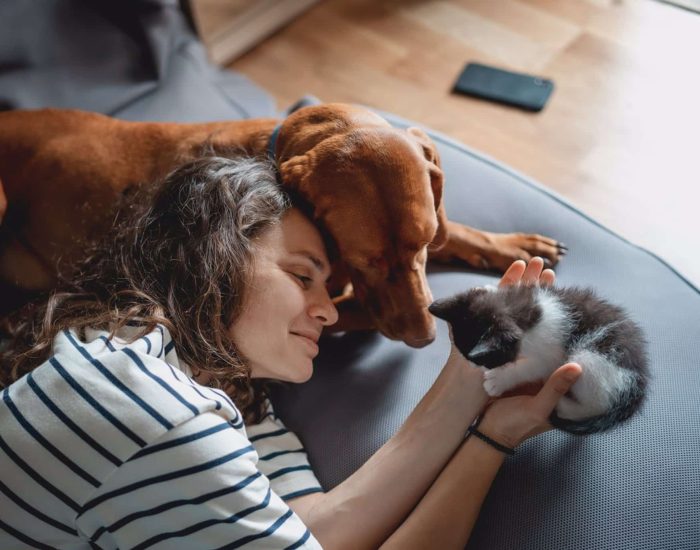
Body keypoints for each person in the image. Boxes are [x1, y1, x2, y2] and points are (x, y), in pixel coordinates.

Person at [0, 155, 581, 549]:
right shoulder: (148, 406)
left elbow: (323, 528)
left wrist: (472, 384)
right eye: (303, 276)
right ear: (211, 256)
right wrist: (492, 445)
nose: (329, 311)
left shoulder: (235, 397)